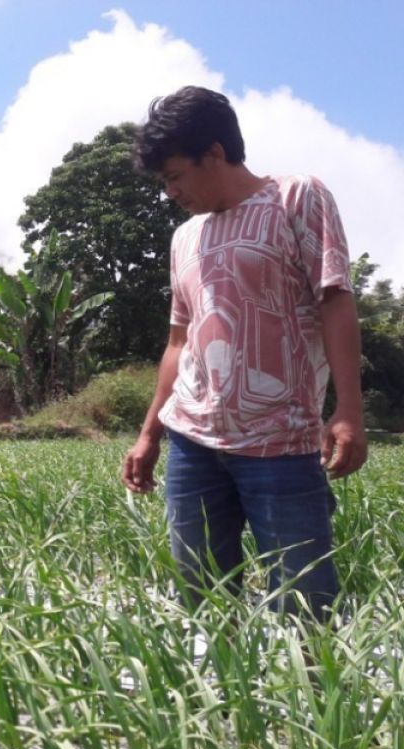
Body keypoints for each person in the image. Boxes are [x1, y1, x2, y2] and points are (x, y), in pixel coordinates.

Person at [121, 86, 367, 621]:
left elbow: (335, 300)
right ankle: (225, 706)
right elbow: (178, 343)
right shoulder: (185, 238)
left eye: (175, 176)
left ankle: (310, 705)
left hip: (282, 442)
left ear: (214, 152)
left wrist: (348, 408)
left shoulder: (297, 197)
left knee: (307, 608)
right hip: (192, 444)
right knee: (203, 601)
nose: (170, 192)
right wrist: (149, 434)